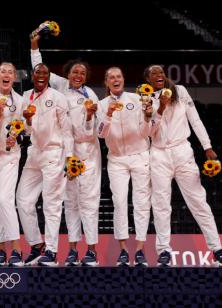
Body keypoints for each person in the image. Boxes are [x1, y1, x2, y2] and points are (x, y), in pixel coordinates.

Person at [30, 33, 101, 266]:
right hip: (66, 151)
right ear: (67, 73)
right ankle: (72, 249)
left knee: (88, 201)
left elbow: (94, 129)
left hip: (88, 152)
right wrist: (34, 45)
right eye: (74, 72)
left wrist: (90, 115)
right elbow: (38, 68)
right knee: (69, 200)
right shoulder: (59, 85)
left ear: (86, 76)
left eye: (82, 73)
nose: (78, 75)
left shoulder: (91, 95)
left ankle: (91, 250)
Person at [145, 64, 222, 266]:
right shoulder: (146, 99)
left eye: (161, 72)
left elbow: (195, 119)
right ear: (148, 80)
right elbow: (149, 133)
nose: (158, 75)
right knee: (161, 205)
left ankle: (217, 248)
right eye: (154, 74)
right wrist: (160, 107)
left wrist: (207, 146)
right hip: (159, 154)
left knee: (198, 201)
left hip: (182, 151)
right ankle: (164, 252)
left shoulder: (180, 91)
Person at [16, 63, 74, 267]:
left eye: (45, 73)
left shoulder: (58, 97)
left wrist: (70, 158)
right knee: (23, 200)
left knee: (52, 204)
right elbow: (27, 131)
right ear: (32, 76)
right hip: (34, 154)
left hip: (53, 153)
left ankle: (52, 250)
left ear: (49, 77)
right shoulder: (25, 96)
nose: (41, 75)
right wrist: (28, 121)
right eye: (37, 72)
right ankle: (36, 245)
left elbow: (67, 131)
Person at [97, 67, 153, 267]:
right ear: (106, 82)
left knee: (141, 203)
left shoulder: (137, 99)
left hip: (139, 155)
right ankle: (122, 250)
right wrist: (108, 115)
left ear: (123, 79)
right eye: (111, 77)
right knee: (119, 202)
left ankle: (139, 250)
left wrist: (147, 117)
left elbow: (146, 131)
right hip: (117, 159)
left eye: (118, 76)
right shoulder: (101, 104)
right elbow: (100, 134)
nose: (115, 79)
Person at [0, 62, 25, 267]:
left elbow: (25, 129)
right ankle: (1, 251)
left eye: (11, 72)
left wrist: (16, 137)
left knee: (5, 199)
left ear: (14, 78)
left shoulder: (20, 100)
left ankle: (17, 249)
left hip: (10, 156)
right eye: (3, 71)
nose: (7, 74)